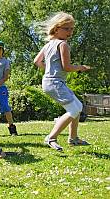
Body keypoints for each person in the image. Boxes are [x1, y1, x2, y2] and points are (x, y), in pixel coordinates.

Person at [33, 12, 91, 151]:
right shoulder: (63, 45)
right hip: (55, 83)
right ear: (57, 28)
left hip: (48, 82)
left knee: (77, 106)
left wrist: (49, 70)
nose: (70, 32)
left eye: (72, 29)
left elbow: (37, 61)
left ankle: (73, 138)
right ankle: (51, 138)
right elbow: (67, 67)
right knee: (74, 109)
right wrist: (80, 68)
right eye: (66, 28)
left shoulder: (48, 45)